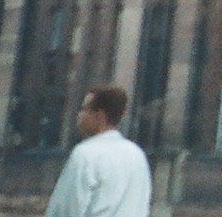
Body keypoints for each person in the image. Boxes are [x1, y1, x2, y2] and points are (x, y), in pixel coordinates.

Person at [45, 85, 152, 217]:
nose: (79, 116)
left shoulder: (86, 154)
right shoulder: (137, 155)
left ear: (99, 116)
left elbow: (67, 208)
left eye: (84, 110)